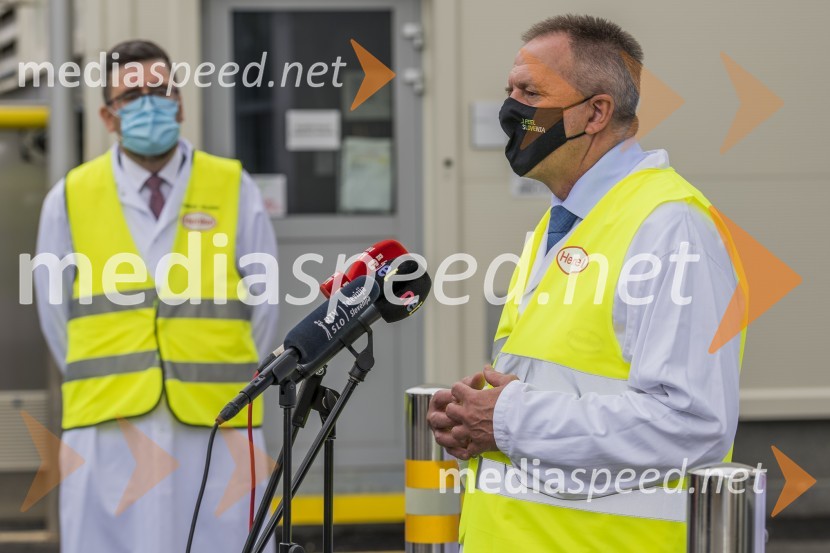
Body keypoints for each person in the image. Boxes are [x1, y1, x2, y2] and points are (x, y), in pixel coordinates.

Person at [428, 15, 745, 552]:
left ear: (596, 112)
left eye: (530, 92)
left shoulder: (670, 226)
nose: (511, 109)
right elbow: (565, 383)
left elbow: (692, 425)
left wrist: (508, 419)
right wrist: (478, 417)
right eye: (509, 91)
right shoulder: (565, 224)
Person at [34, 40, 279, 552]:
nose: (150, 103)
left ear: (181, 102)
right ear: (107, 115)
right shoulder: (71, 197)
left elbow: (265, 305)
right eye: (132, 95)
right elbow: (55, 314)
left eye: (161, 90)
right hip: (107, 427)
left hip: (217, 423)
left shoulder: (234, 187)